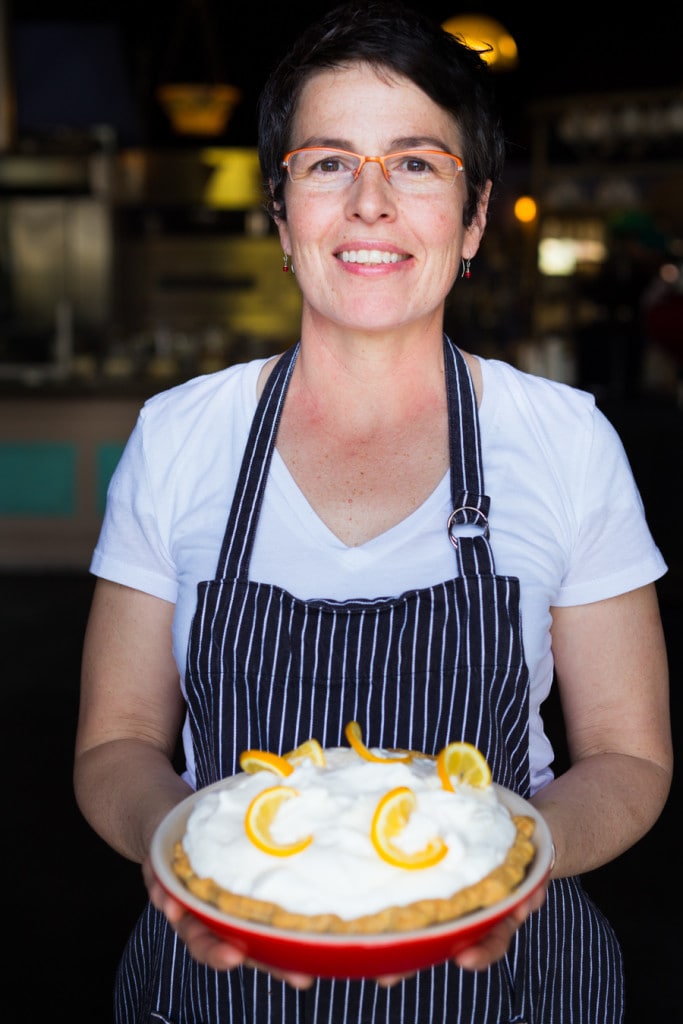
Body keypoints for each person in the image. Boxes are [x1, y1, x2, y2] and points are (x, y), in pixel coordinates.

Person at [73, 3, 673, 1022]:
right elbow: (115, 739)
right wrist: (186, 861)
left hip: (512, 985)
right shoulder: (179, 435)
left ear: (474, 215)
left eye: (415, 164)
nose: (367, 203)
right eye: (326, 163)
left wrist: (513, 868)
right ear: (280, 216)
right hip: (219, 981)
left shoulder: (565, 440)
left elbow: (627, 754)